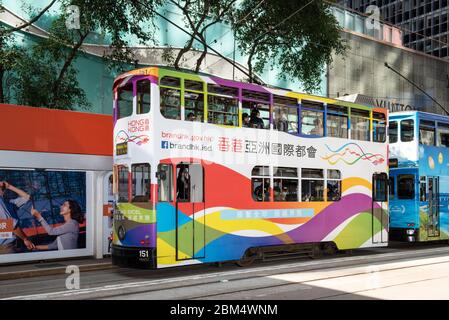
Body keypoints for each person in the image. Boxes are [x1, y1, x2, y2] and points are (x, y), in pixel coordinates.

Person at [0, 181, 34, 254]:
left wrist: (9, 186)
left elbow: (27, 197)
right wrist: (25, 239)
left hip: (9, 243)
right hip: (5, 246)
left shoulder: (9, 204)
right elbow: (12, 226)